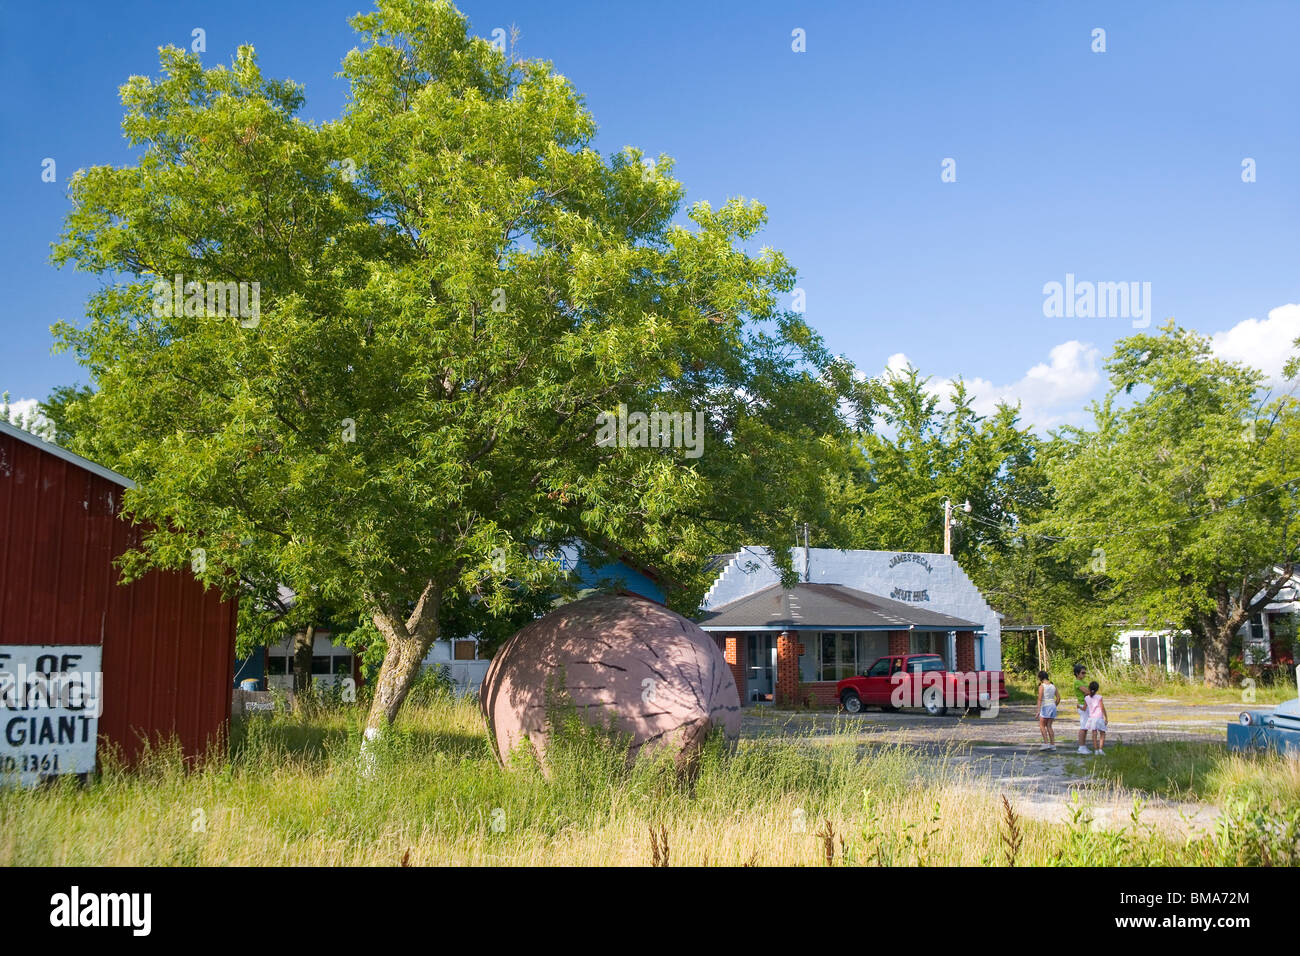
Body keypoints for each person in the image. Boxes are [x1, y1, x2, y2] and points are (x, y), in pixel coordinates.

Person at [1036, 670, 1058, 750]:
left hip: (1045, 706)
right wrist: (1054, 705)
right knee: (1049, 726)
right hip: (1052, 706)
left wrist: (1038, 711)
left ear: (1040, 678)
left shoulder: (1042, 686)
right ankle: (1053, 745)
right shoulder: (1053, 686)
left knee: (1042, 725)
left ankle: (1046, 744)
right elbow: (1058, 698)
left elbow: (1040, 699)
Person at [1085, 680, 1108, 755]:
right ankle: (1101, 749)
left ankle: (1096, 750)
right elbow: (1102, 708)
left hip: (1092, 718)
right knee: (1102, 733)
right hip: (1099, 717)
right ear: (1097, 689)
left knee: (1094, 734)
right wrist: (1106, 717)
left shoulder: (1086, 698)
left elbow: (1085, 708)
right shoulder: (1099, 697)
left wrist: (1078, 706)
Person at [1073, 663, 1091, 754]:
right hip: (1082, 704)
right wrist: (1089, 692)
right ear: (1077, 673)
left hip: (1086, 705)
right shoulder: (1077, 682)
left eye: (1085, 673)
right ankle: (1081, 747)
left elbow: (1089, 692)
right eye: (1082, 673)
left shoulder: (1083, 682)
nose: (1084, 674)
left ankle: (1084, 746)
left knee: (1086, 727)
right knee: (1083, 726)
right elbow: (1087, 691)